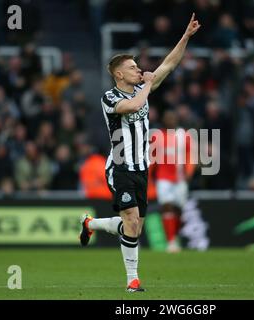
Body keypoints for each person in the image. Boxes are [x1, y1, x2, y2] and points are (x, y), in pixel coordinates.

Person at [79, 13, 201, 292]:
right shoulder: (110, 97)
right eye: (133, 68)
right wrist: (147, 84)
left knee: (133, 227)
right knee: (132, 222)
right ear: (119, 74)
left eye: (138, 67)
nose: (139, 70)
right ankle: (132, 281)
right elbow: (133, 106)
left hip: (141, 168)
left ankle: (91, 223)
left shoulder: (140, 89)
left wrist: (186, 37)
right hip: (120, 166)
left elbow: (168, 65)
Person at [150, 110, 196, 253]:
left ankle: (174, 237)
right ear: (164, 121)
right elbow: (152, 158)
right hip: (163, 178)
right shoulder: (157, 136)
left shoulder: (185, 136)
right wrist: (149, 175)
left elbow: (191, 155)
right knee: (167, 206)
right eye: (168, 118)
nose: (170, 120)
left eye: (173, 118)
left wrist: (189, 171)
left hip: (180, 178)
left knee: (178, 210)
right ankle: (171, 242)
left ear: (177, 120)